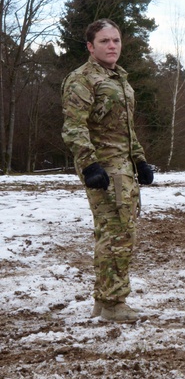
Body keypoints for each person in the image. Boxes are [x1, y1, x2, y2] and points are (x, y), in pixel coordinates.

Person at [61, 19, 155, 323]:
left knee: (116, 233)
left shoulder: (118, 78)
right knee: (116, 234)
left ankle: (105, 301)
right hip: (104, 169)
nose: (111, 45)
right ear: (91, 46)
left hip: (123, 167)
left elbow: (125, 128)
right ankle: (114, 303)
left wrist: (139, 160)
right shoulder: (83, 79)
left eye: (115, 40)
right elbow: (74, 127)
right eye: (104, 41)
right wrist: (89, 165)